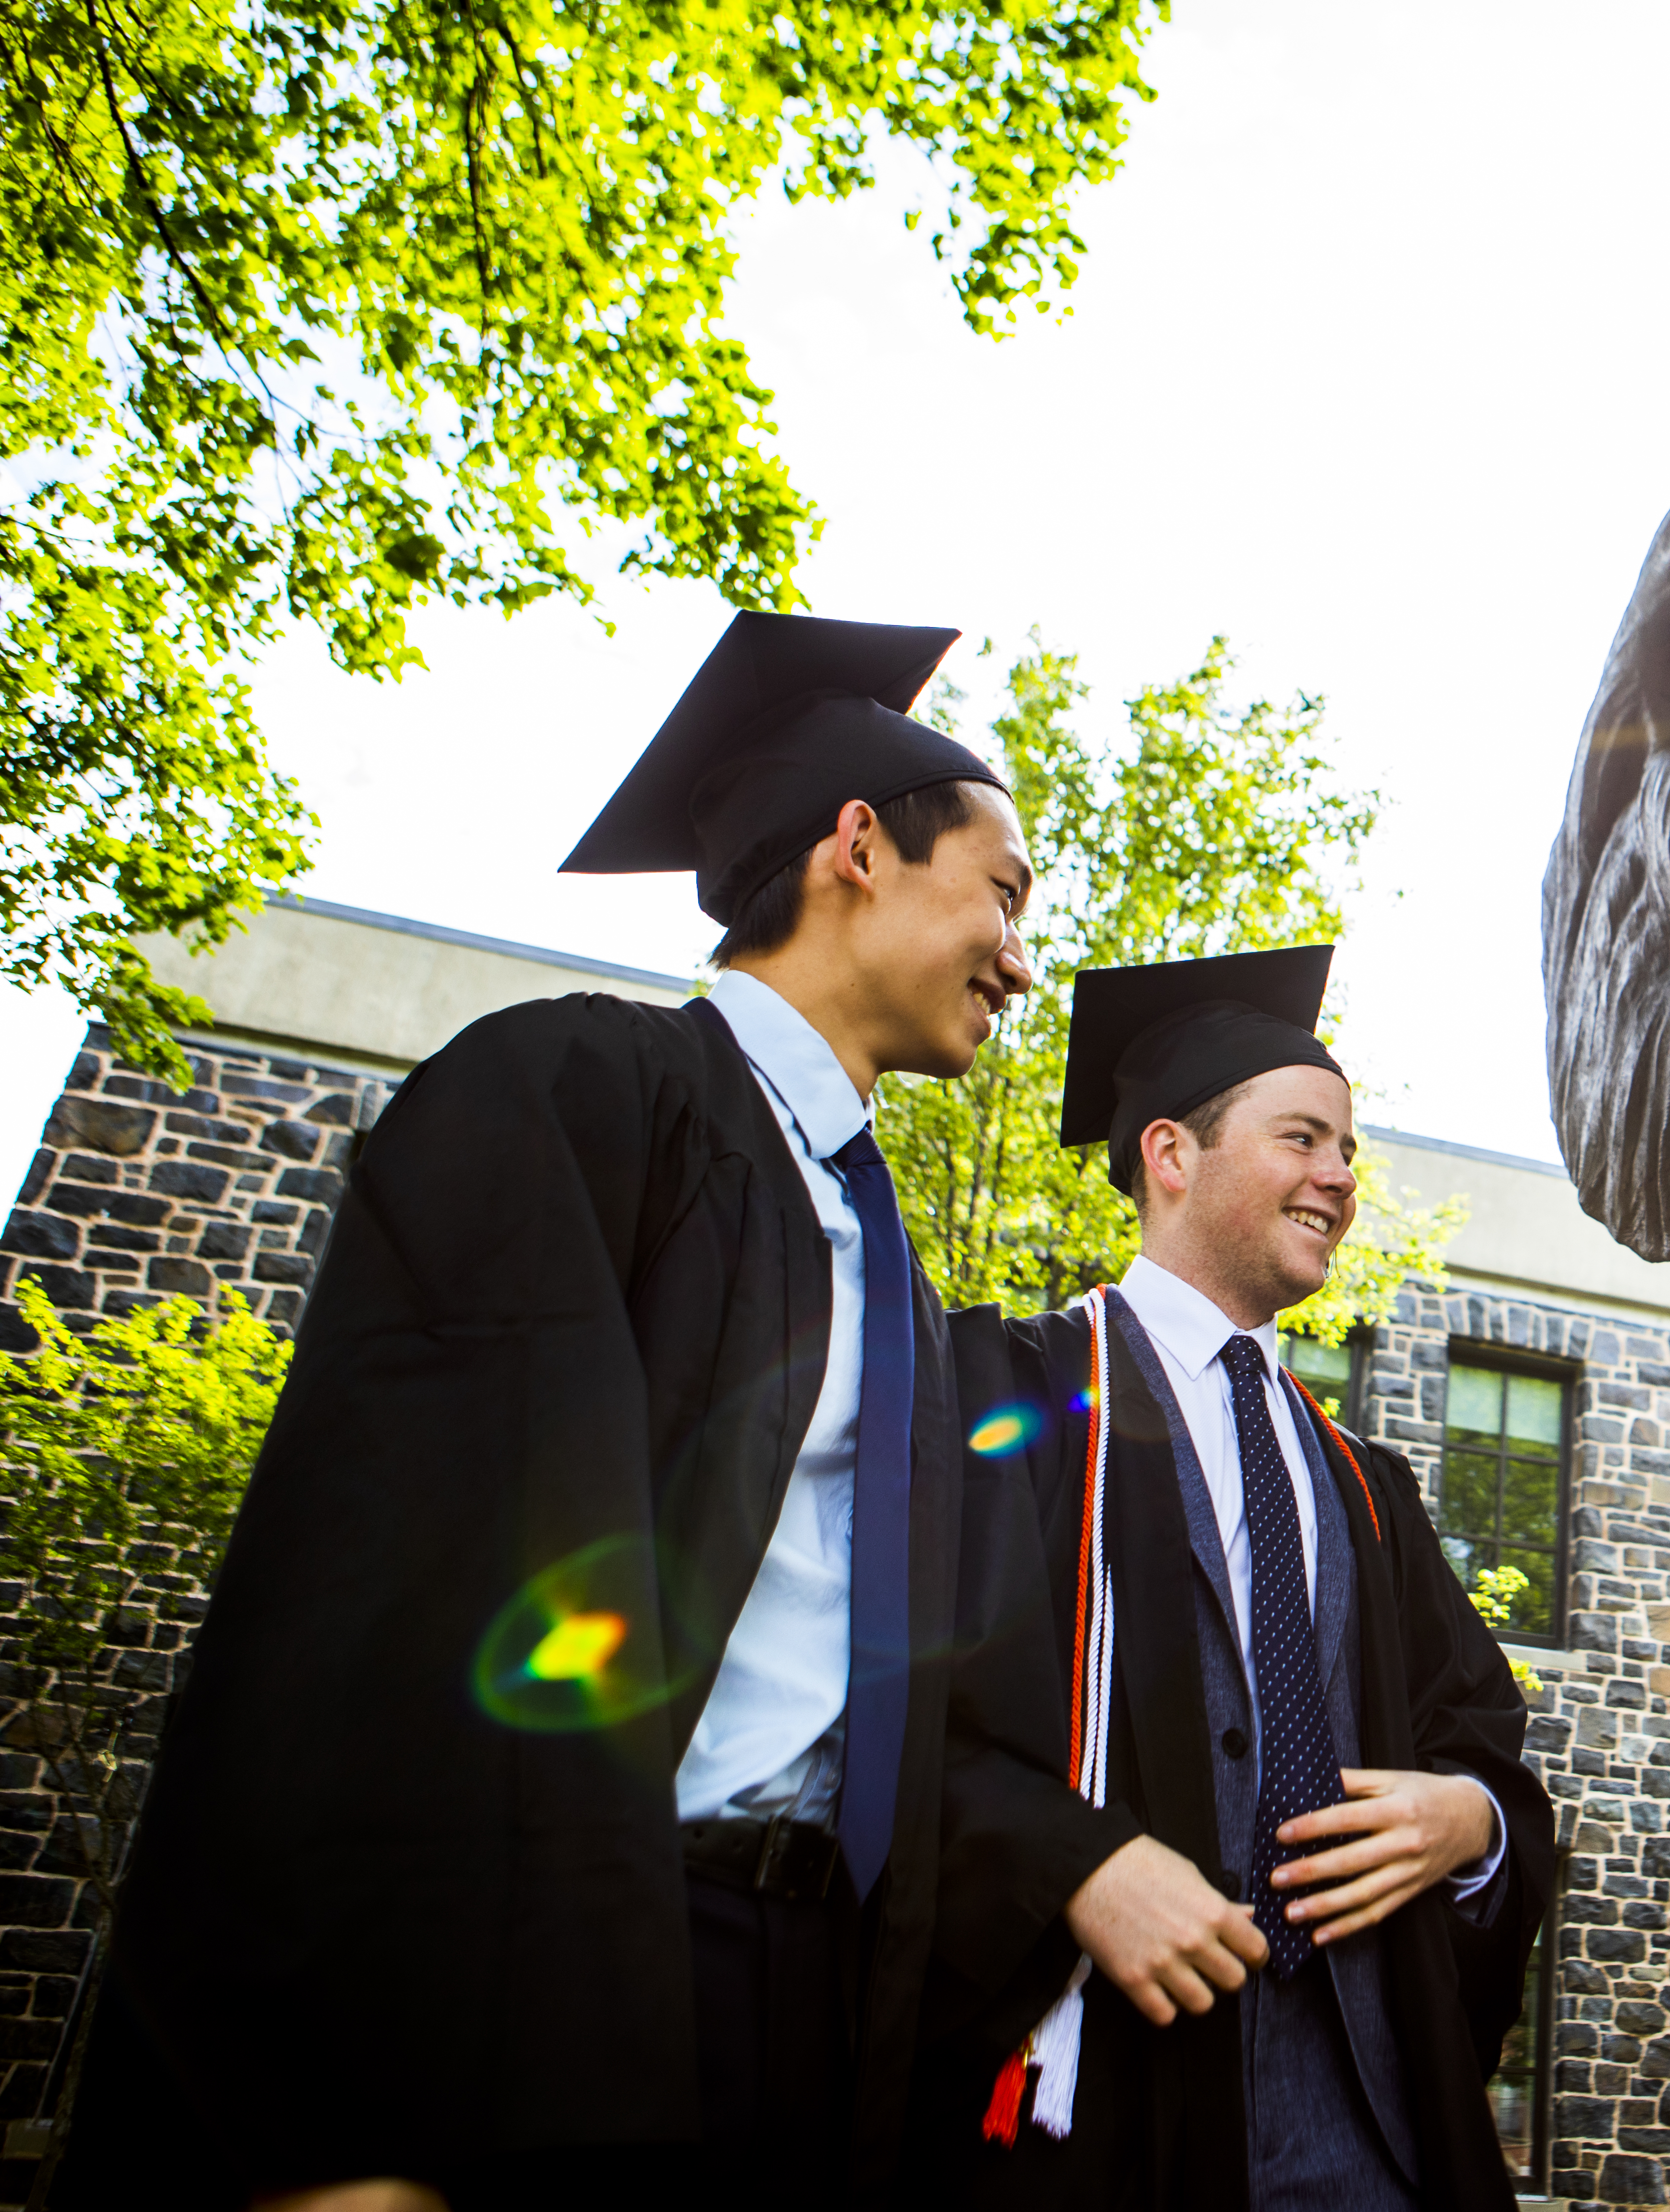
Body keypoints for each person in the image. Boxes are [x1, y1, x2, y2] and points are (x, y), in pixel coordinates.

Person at [61, 612, 1040, 2209]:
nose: (1018, 953)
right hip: (559, 1995)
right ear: (858, 845)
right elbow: (412, 1584)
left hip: (812, 2018)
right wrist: (372, 2114)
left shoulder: (887, 1263)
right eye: (1001, 892)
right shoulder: (573, 1096)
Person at [921, 944, 1555, 2210]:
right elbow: (893, 1709)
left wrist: (1470, 1824)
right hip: (1105, 2118)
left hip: (1373, 2128)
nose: (1342, 1179)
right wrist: (1074, 1863)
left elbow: (1479, 1732)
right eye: (1306, 1138)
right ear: (1171, 1154)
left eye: (1350, 1154)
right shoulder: (1009, 1394)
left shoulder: (1363, 1480)